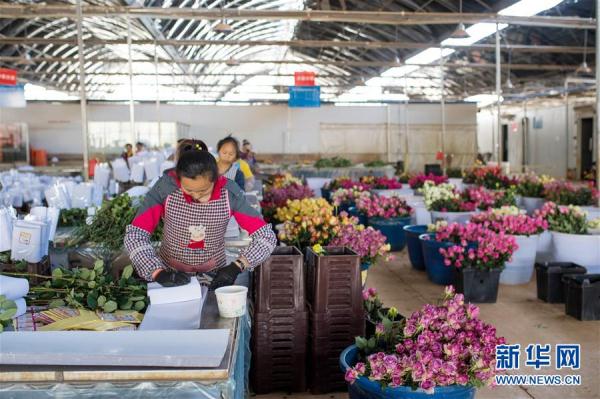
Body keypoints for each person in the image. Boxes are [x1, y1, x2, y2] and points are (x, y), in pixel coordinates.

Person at [124, 150, 276, 289]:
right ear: (178, 179)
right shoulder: (164, 189)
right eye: (188, 190)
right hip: (169, 274)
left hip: (215, 275)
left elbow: (266, 236)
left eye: (203, 191)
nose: (195, 196)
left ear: (215, 179)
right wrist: (157, 272)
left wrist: (238, 265)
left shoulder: (230, 193)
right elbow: (135, 235)